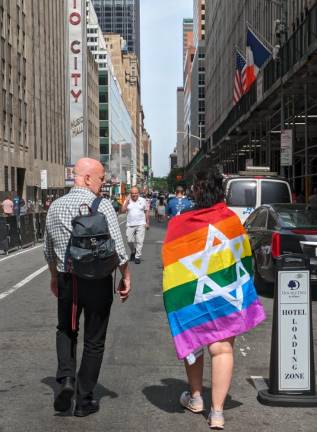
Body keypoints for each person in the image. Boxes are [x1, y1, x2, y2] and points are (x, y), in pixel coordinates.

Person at [162, 170, 266, 430]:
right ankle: (217, 412)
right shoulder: (231, 220)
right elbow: (243, 260)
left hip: (192, 297)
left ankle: (196, 398)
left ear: (196, 191)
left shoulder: (180, 222)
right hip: (224, 295)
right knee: (222, 349)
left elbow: (171, 262)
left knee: (195, 345)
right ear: (222, 192)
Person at [43, 157, 131, 417]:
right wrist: (126, 275)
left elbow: (48, 250)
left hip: (68, 279)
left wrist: (53, 276)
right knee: (94, 340)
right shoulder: (102, 205)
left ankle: (66, 379)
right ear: (88, 178)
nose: (103, 184)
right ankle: (84, 400)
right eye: (102, 179)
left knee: (66, 330)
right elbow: (118, 247)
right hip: (98, 282)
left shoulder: (56, 206)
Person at [121, 186, 150, 264]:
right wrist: (127, 201)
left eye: (136, 193)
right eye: (132, 193)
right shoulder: (128, 200)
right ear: (130, 194)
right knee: (129, 240)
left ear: (138, 193)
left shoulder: (144, 200)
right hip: (130, 224)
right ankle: (133, 251)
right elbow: (123, 210)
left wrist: (147, 222)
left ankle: (137, 257)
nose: (134, 195)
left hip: (141, 223)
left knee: (139, 241)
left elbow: (147, 211)